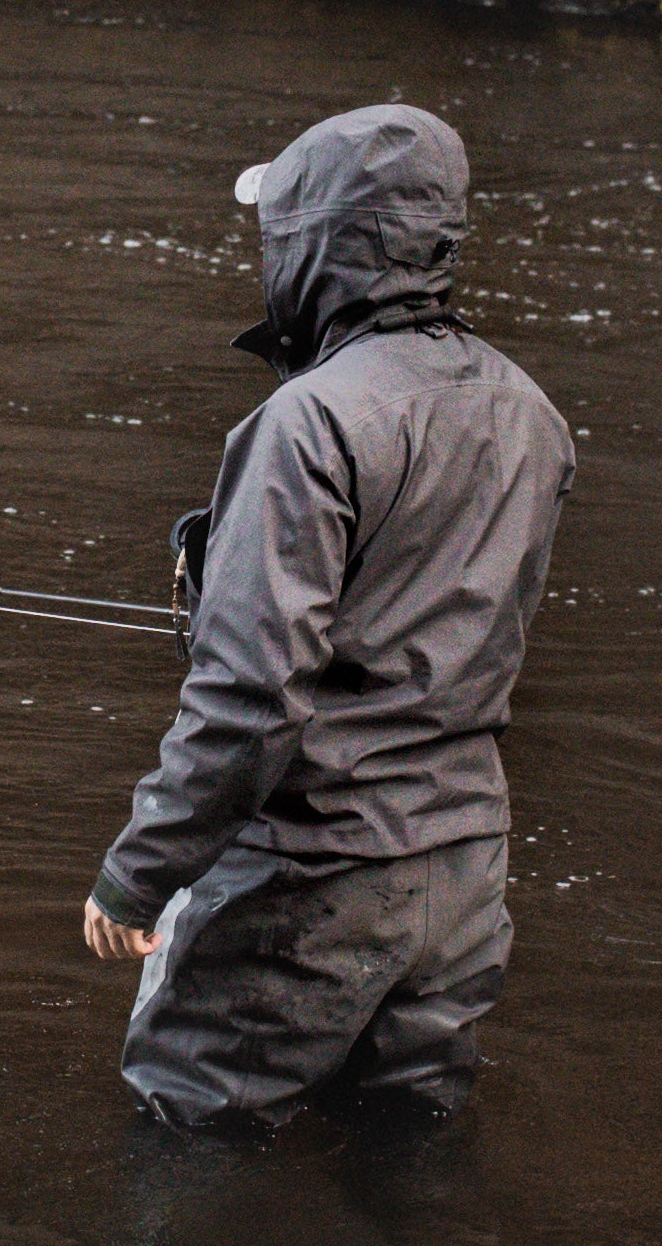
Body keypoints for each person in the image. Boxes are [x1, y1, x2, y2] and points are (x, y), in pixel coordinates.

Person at [82, 102, 574, 1134]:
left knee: (192, 1157)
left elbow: (252, 697)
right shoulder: (527, 407)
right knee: (406, 1161)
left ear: (314, 245)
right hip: (462, 877)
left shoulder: (305, 421)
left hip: (308, 883)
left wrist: (135, 879)